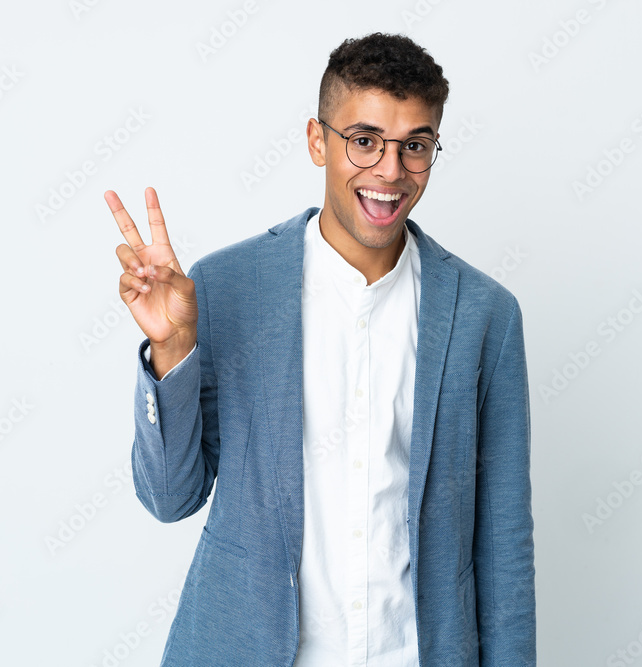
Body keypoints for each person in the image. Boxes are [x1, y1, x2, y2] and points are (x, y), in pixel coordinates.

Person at [108, 32, 535, 667]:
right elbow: (170, 499)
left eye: (415, 146)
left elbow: (504, 541)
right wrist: (171, 350)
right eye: (364, 141)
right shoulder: (226, 287)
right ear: (318, 140)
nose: (390, 170)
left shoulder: (485, 315)